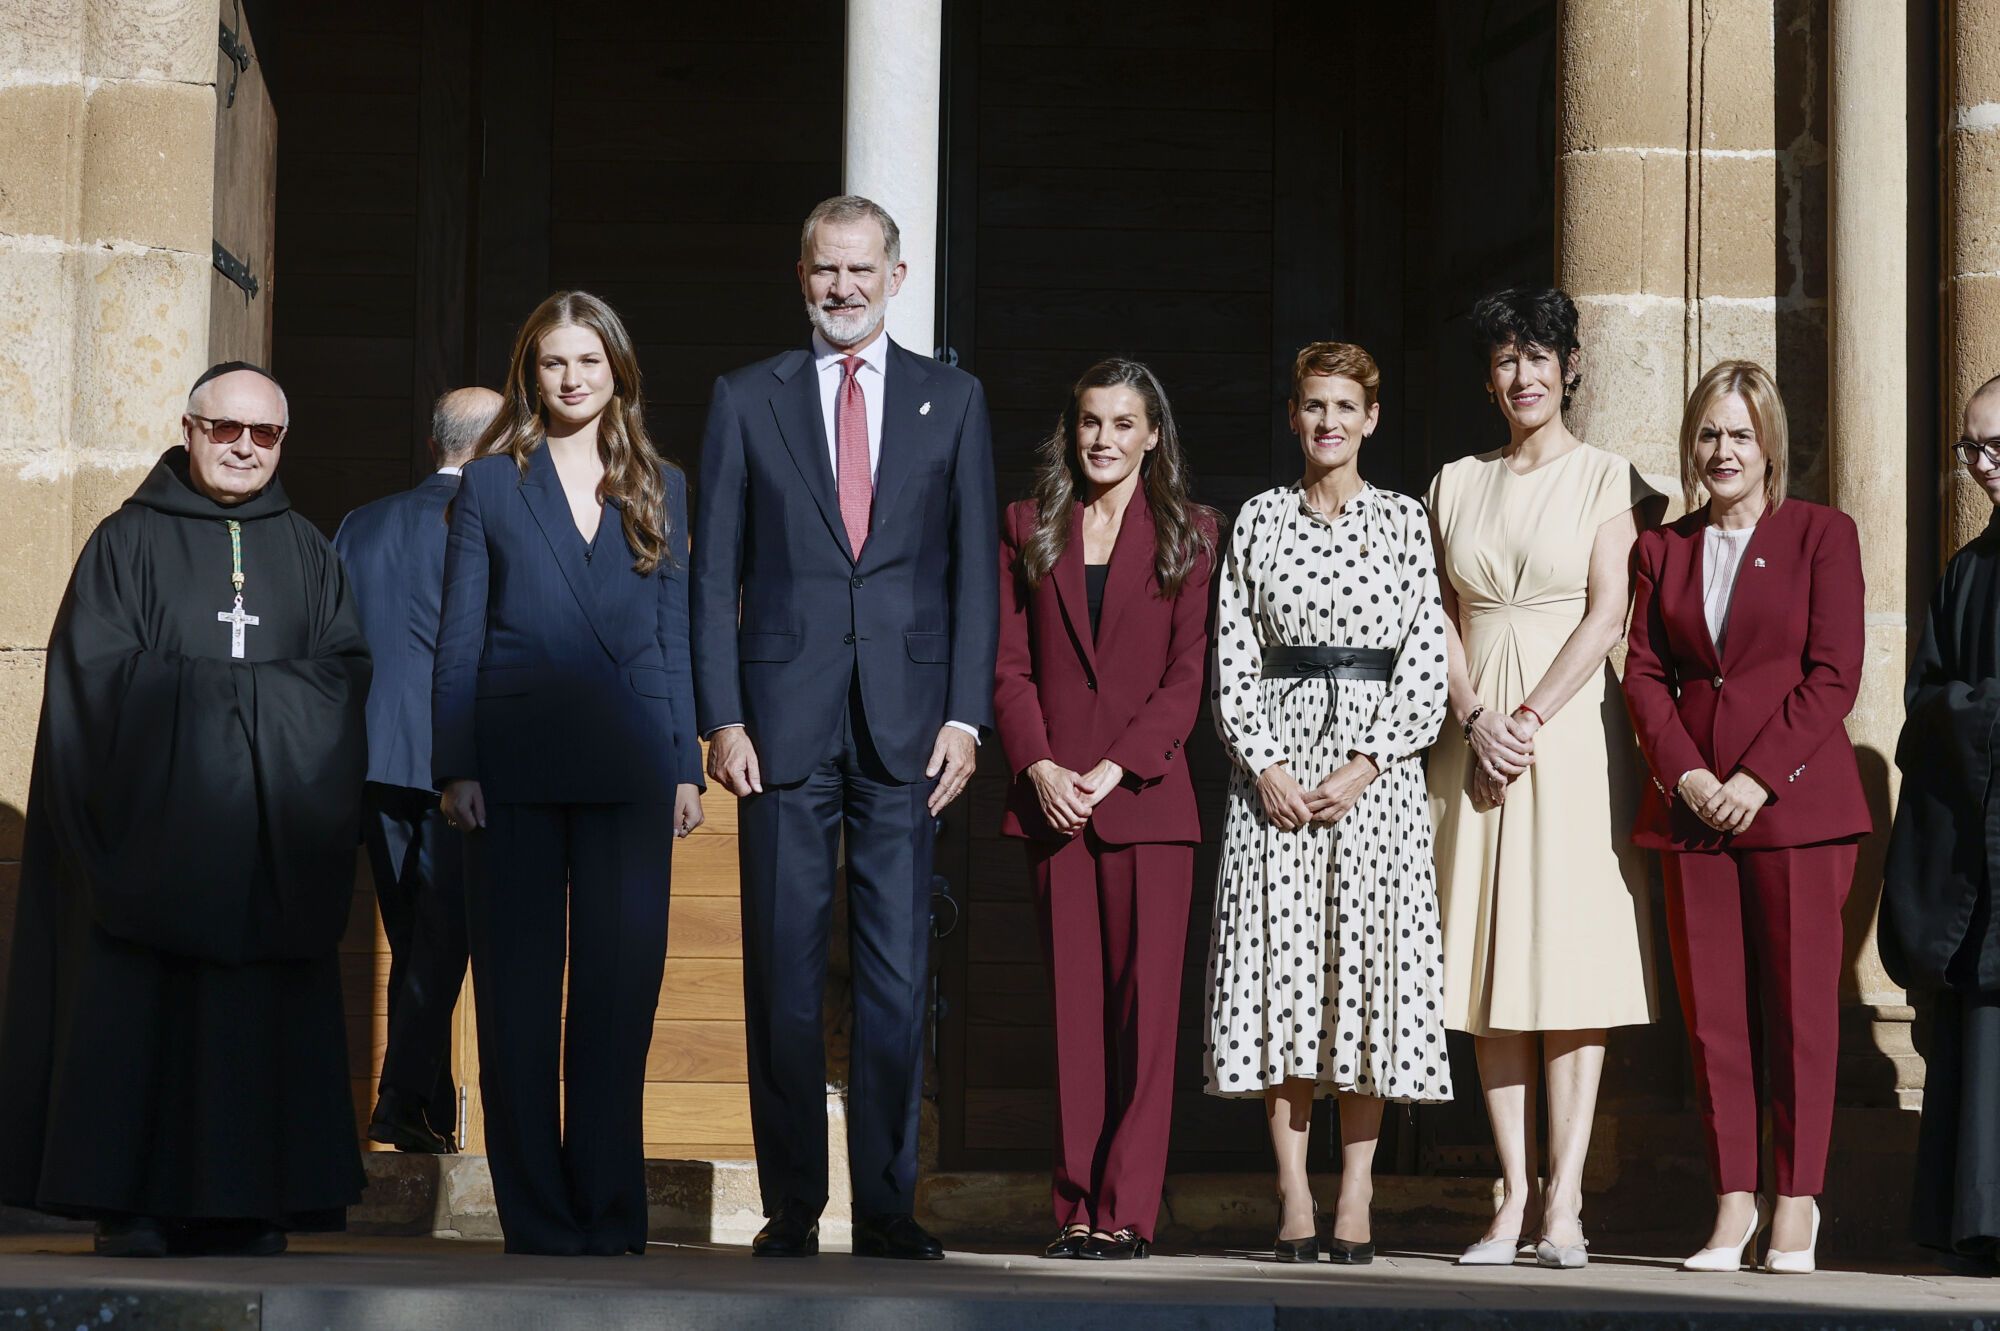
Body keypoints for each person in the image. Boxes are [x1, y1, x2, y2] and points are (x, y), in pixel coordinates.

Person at [0, 362, 370, 1257]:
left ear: (284, 441)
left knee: (253, 1022)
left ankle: (251, 1205)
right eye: (226, 429)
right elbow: (92, 678)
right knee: (141, 1018)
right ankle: (135, 1205)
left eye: (266, 434)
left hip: (264, 846)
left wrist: (233, 707)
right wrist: (243, 704)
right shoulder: (123, 543)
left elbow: (343, 676)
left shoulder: (311, 552)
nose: (245, 446)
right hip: (153, 845)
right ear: (189, 427)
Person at [692, 194, 998, 1261]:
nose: (843, 289)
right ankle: (791, 1204)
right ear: (801, 274)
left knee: (895, 973)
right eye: (826, 271)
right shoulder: (745, 399)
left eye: (861, 271)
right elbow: (712, 571)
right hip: (778, 728)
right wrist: (720, 713)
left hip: (909, 730)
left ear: (896, 277)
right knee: (779, 966)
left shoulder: (951, 401)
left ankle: (883, 1204)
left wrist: (966, 712)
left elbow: (971, 575)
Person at [433, 293, 704, 1256]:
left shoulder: (661, 484)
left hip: (633, 765)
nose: (573, 377)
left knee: (617, 994)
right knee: (516, 995)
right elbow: (459, 636)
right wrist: (455, 763)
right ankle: (539, 1217)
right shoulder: (490, 487)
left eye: (590, 360)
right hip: (511, 770)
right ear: (530, 373)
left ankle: (608, 1209)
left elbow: (674, 637)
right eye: (554, 362)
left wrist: (684, 763)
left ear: (618, 372)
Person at [1427, 289, 1664, 1269]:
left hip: (1562, 734)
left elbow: (1608, 610)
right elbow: (1434, 612)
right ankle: (1508, 1192)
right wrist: (1476, 716)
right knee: (1486, 968)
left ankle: (1563, 1198)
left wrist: (1524, 718)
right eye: (1503, 359)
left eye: (1538, 355)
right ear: (1486, 378)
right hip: (1471, 734)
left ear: (1568, 366)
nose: (1521, 375)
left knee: (1564, 961)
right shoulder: (1450, 482)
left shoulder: (1607, 477)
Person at [1205, 341, 1452, 1267]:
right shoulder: (1260, 520)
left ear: (1371, 418)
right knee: (1284, 975)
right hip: (1273, 781)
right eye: (1314, 406)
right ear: (1294, 416)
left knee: (1365, 975)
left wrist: (1370, 760)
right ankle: (1293, 1192)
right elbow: (1232, 647)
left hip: (1371, 783)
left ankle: (1356, 1190)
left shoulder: (1401, 522)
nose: (1329, 423)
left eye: (1345, 406)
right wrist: (1263, 762)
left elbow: (1426, 652)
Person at [1623, 360, 1867, 1275]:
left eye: (1738, 433)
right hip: (1692, 813)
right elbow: (1644, 671)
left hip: (1795, 808)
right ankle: (1733, 1200)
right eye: (1708, 434)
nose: (1722, 450)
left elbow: (1832, 673)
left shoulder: (1820, 534)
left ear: (1769, 444)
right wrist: (1686, 775)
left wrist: (1759, 778)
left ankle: (1796, 1200)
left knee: (1801, 1011)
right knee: (1714, 1016)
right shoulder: (1665, 547)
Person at [992, 359, 1216, 1261]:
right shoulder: (1028, 526)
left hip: (1147, 806)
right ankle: (1074, 1205)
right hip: (1053, 802)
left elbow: (1187, 675)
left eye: (1124, 424)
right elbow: (1007, 664)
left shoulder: (1192, 533)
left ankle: (1127, 1207)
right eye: (1090, 422)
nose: (1103, 440)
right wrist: (1039, 763)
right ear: (1070, 429)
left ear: (1153, 435)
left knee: (1143, 1018)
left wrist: (1115, 769)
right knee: (1073, 1017)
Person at [334, 387, 502, 1155]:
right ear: (493, 441)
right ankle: (402, 1101)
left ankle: (427, 1101)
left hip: (370, 760)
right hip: (451, 762)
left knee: (415, 935)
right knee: (442, 941)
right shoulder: (491, 520)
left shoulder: (358, 523)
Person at [1881, 374, 2000, 1272]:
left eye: (1993, 447)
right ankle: (1975, 1220)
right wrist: (1976, 713)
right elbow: (1922, 707)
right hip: (1975, 845)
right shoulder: (1966, 570)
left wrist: (1969, 710)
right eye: (1971, 450)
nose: (1981, 466)